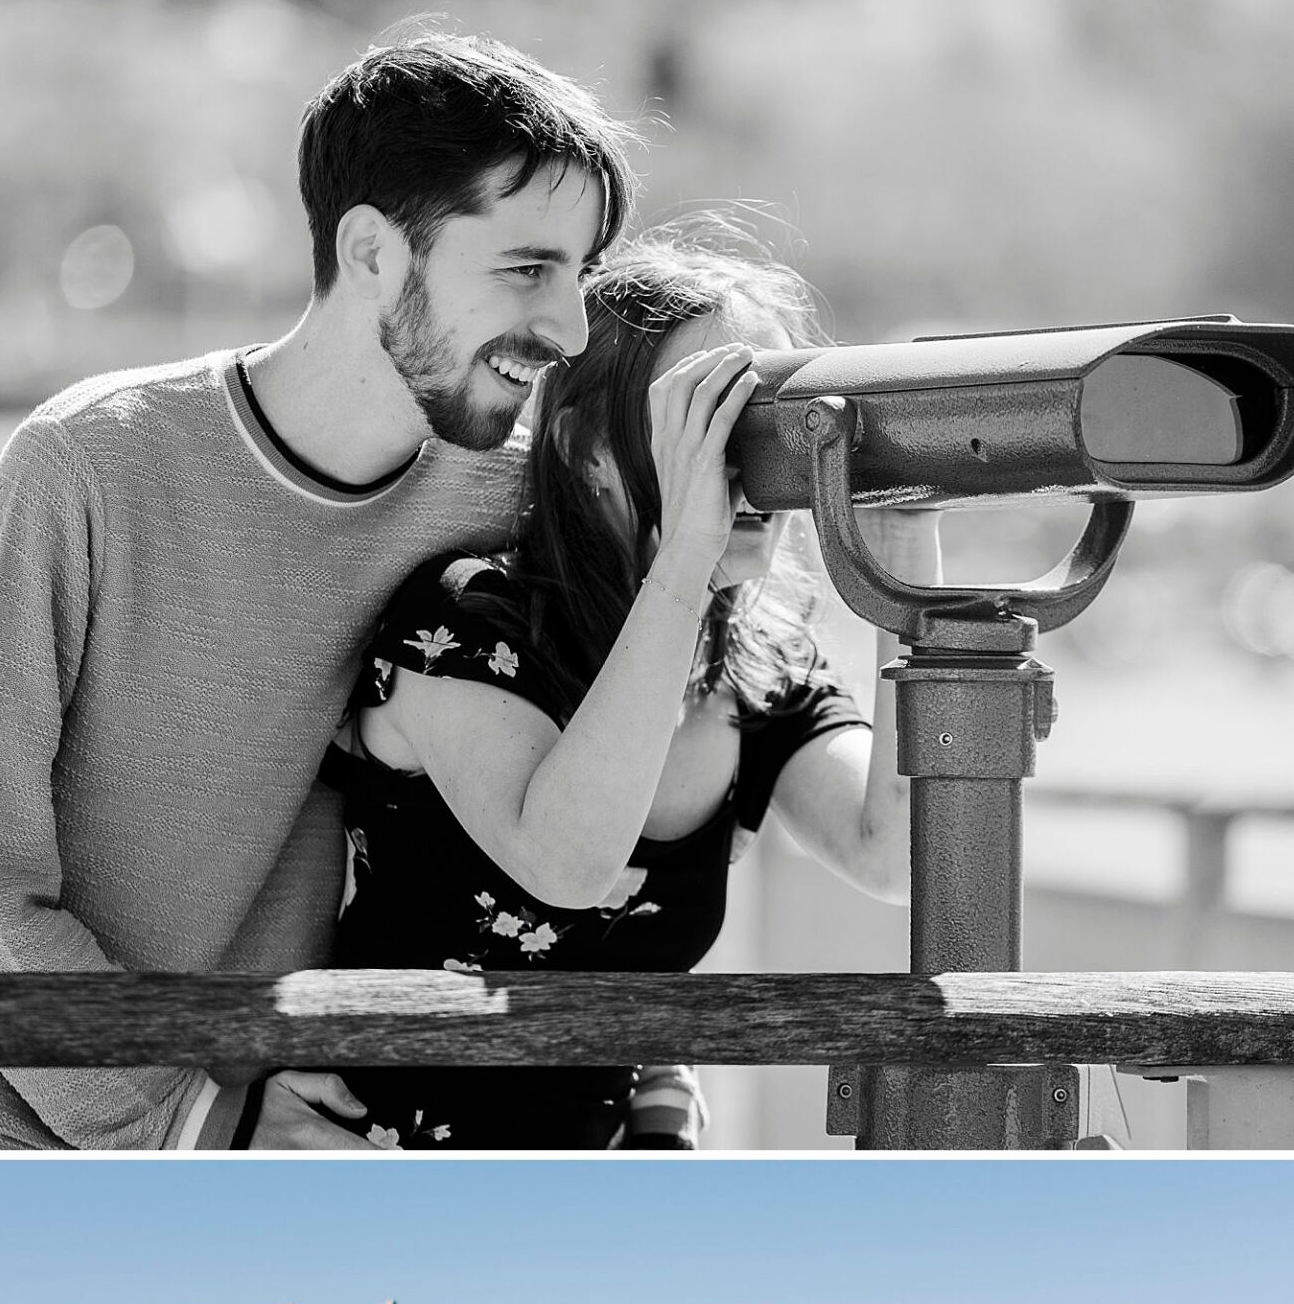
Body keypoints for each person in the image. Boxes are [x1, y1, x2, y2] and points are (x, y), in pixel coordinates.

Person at [0, 29, 640, 1149]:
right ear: (371, 252)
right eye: (526, 269)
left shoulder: (506, 508)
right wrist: (178, 1108)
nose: (569, 328)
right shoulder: (93, 461)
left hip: (269, 1152)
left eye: (582, 273)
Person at [315, 230, 918, 1149]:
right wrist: (685, 557)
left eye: (770, 410)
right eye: (707, 417)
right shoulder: (465, 625)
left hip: (609, 1204)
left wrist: (902, 518)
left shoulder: (754, 661)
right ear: (587, 446)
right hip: (396, 1187)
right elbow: (568, 864)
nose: (750, 455)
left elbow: (894, 854)